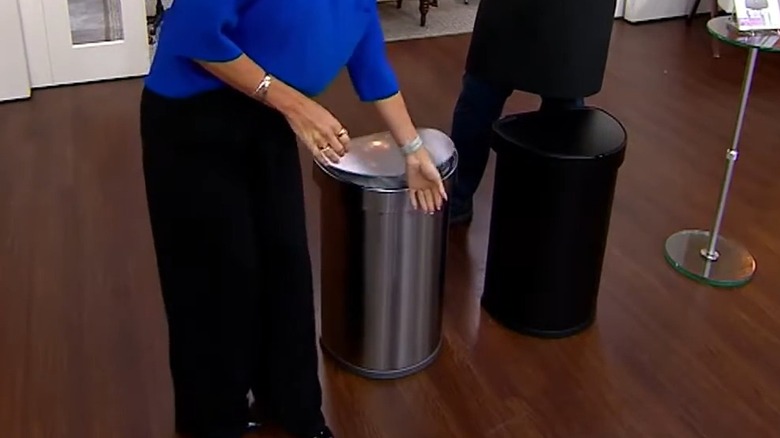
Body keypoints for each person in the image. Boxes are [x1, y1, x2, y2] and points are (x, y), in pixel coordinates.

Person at [139, 1, 447, 437]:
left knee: (286, 267)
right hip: (193, 122)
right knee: (216, 283)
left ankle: (293, 407)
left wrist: (413, 150)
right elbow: (195, 34)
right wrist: (299, 107)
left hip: (267, 114)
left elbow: (372, 67)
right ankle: (214, 421)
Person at [449, 0, 617, 224]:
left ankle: (559, 202)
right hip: (508, 13)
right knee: (479, 95)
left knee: (564, 104)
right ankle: (457, 198)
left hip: (575, 13)